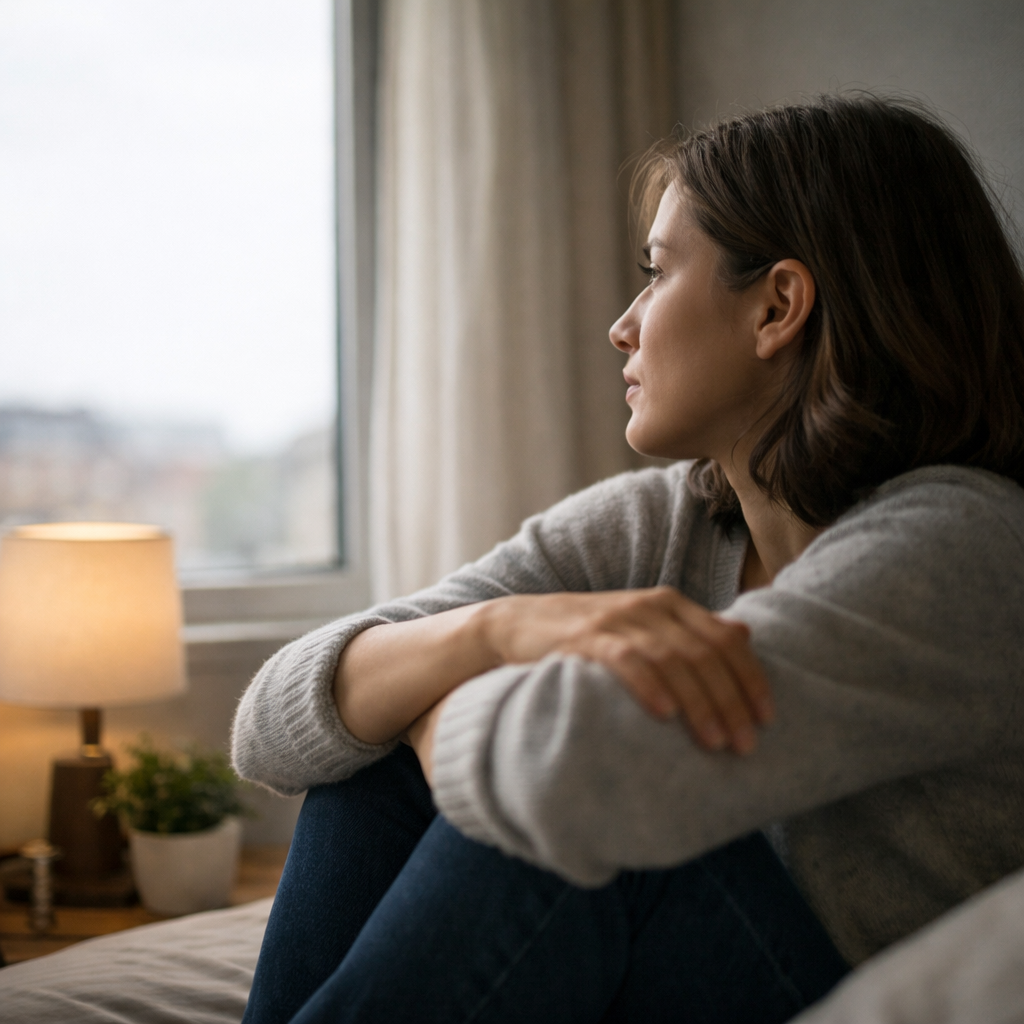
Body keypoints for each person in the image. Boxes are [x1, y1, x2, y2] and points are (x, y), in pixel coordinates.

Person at [232, 95, 1024, 1024]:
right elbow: (270, 729)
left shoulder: (966, 547)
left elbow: (567, 779)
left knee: (562, 826)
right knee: (368, 763)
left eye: (656, 275)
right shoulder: (663, 524)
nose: (623, 324)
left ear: (777, 307)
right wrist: (496, 630)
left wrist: (433, 702)